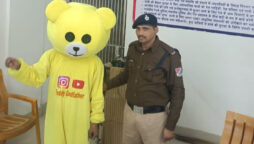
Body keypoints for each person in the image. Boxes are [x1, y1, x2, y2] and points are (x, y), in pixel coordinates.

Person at [104, 13, 185, 144]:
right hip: (130, 113)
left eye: (145, 29)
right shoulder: (133, 48)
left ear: (155, 29)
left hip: (154, 119)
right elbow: (126, 75)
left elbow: (178, 92)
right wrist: (106, 86)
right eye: (138, 29)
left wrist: (170, 126)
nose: (140, 33)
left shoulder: (169, 55)